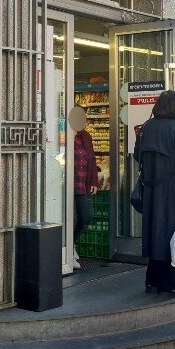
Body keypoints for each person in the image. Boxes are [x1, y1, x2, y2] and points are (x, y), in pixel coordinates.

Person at [133, 90, 175, 295]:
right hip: (173, 190)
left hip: (151, 189)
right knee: (172, 235)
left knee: (155, 233)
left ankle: (151, 281)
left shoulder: (147, 127)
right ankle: (168, 283)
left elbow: (137, 156)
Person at [71, 107, 100, 271]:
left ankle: (71, 242)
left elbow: (92, 158)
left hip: (82, 184)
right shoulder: (65, 136)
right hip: (67, 186)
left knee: (86, 216)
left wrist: (94, 181)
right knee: (71, 219)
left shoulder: (86, 137)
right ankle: (68, 252)